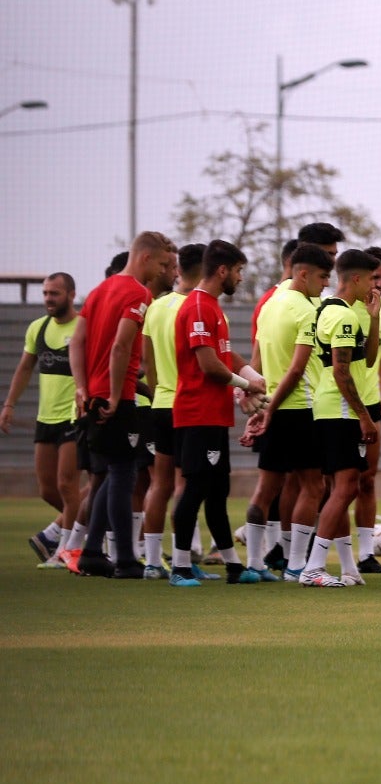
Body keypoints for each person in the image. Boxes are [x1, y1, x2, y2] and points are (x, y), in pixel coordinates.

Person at [63, 231, 175, 578]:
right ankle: (125, 559)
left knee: (112, 473)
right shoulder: (136, 293)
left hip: (94, 396)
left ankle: (94, 551)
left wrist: (83, 388)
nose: (161, 271)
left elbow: (76, 342)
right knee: (124, 473)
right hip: (117, 399)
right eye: (161, 263)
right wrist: (114, 394)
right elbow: (121, 347)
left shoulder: (100, 290)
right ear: (144, 257)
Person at [167, 240, 263, 585]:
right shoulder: (196, 306)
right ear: (222, 270)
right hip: (197, 414)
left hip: (213, 415)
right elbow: (209, 366)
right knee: (194, 488)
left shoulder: (210, 306)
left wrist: (252, 374)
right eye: (238, 271)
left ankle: (234, 567)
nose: (239, 278)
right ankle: (179, 566)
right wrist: (245, 384)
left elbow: (223, 355)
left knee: (217, 490)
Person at [243, 244, 333, 582]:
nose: (326, 285)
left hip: (273, 406)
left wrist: (257, 402)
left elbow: (256, 361)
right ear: (303, 273)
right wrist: (269, 409)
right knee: (313, 486)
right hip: (301, 407)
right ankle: (296, 565)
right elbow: (296, 371)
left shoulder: (269, 305)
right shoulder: (308, 311)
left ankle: (254, 565)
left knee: (266, 488)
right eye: (323, 277)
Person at [301, 249, 381, 587]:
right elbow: (341, 371)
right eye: (370, 279)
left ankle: (348, 566)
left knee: (340, 488)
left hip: (328, 408)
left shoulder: (327, 311)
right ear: (355, 279)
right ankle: (313, 567)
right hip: (340, 410)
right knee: (346, 487)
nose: (374, 286)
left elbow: (368, 359)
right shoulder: (344, 318)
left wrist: (374, 317)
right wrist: (364, 416)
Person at [139, 243, 209, 578]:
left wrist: (157, 394)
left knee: (160, 484)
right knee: (185, 485)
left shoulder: (156, 306)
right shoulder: (199, 308)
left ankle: (152, 562)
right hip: (188, 408)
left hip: (160, 404)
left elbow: (147, 363)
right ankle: (182, 563)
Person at [2, 271, 81, 566]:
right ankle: (86, 524)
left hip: (74, 418)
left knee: (66, 485)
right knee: (47, 488)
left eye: (54, 293)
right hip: (45, 419)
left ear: (71, 295)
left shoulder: (82, 327)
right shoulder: (38, 328)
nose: (48, 298)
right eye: (46, 293)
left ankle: (64, 550)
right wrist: (9, 404)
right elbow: (24, 368)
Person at [353, 245, 381, 575]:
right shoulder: (342, 309)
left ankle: (366, 555)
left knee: (367, 479)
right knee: (332, 483)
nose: (379, 283)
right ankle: (308, 549)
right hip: (340, 403)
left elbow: (379, 356)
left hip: (369, 404)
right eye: (375, 277)